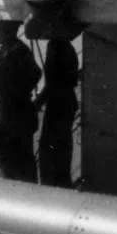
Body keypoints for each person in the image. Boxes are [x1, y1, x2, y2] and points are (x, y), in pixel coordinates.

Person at [0, 19, 42, 181]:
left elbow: (35, 73)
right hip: (8, 113)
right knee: (9, 155)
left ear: (8, 31)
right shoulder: (6, 50)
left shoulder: (19, 51)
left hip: (18, 113)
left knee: (22, 157)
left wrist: (17, 93)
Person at [35, 34, 80, 188]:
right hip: (64, 102)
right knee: (60, 147)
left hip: (59, 104)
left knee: (52, 149)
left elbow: (53, 83)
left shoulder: (56, 47)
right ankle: (61, 182)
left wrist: (37, 102)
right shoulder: (65, 47)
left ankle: (55, 186)